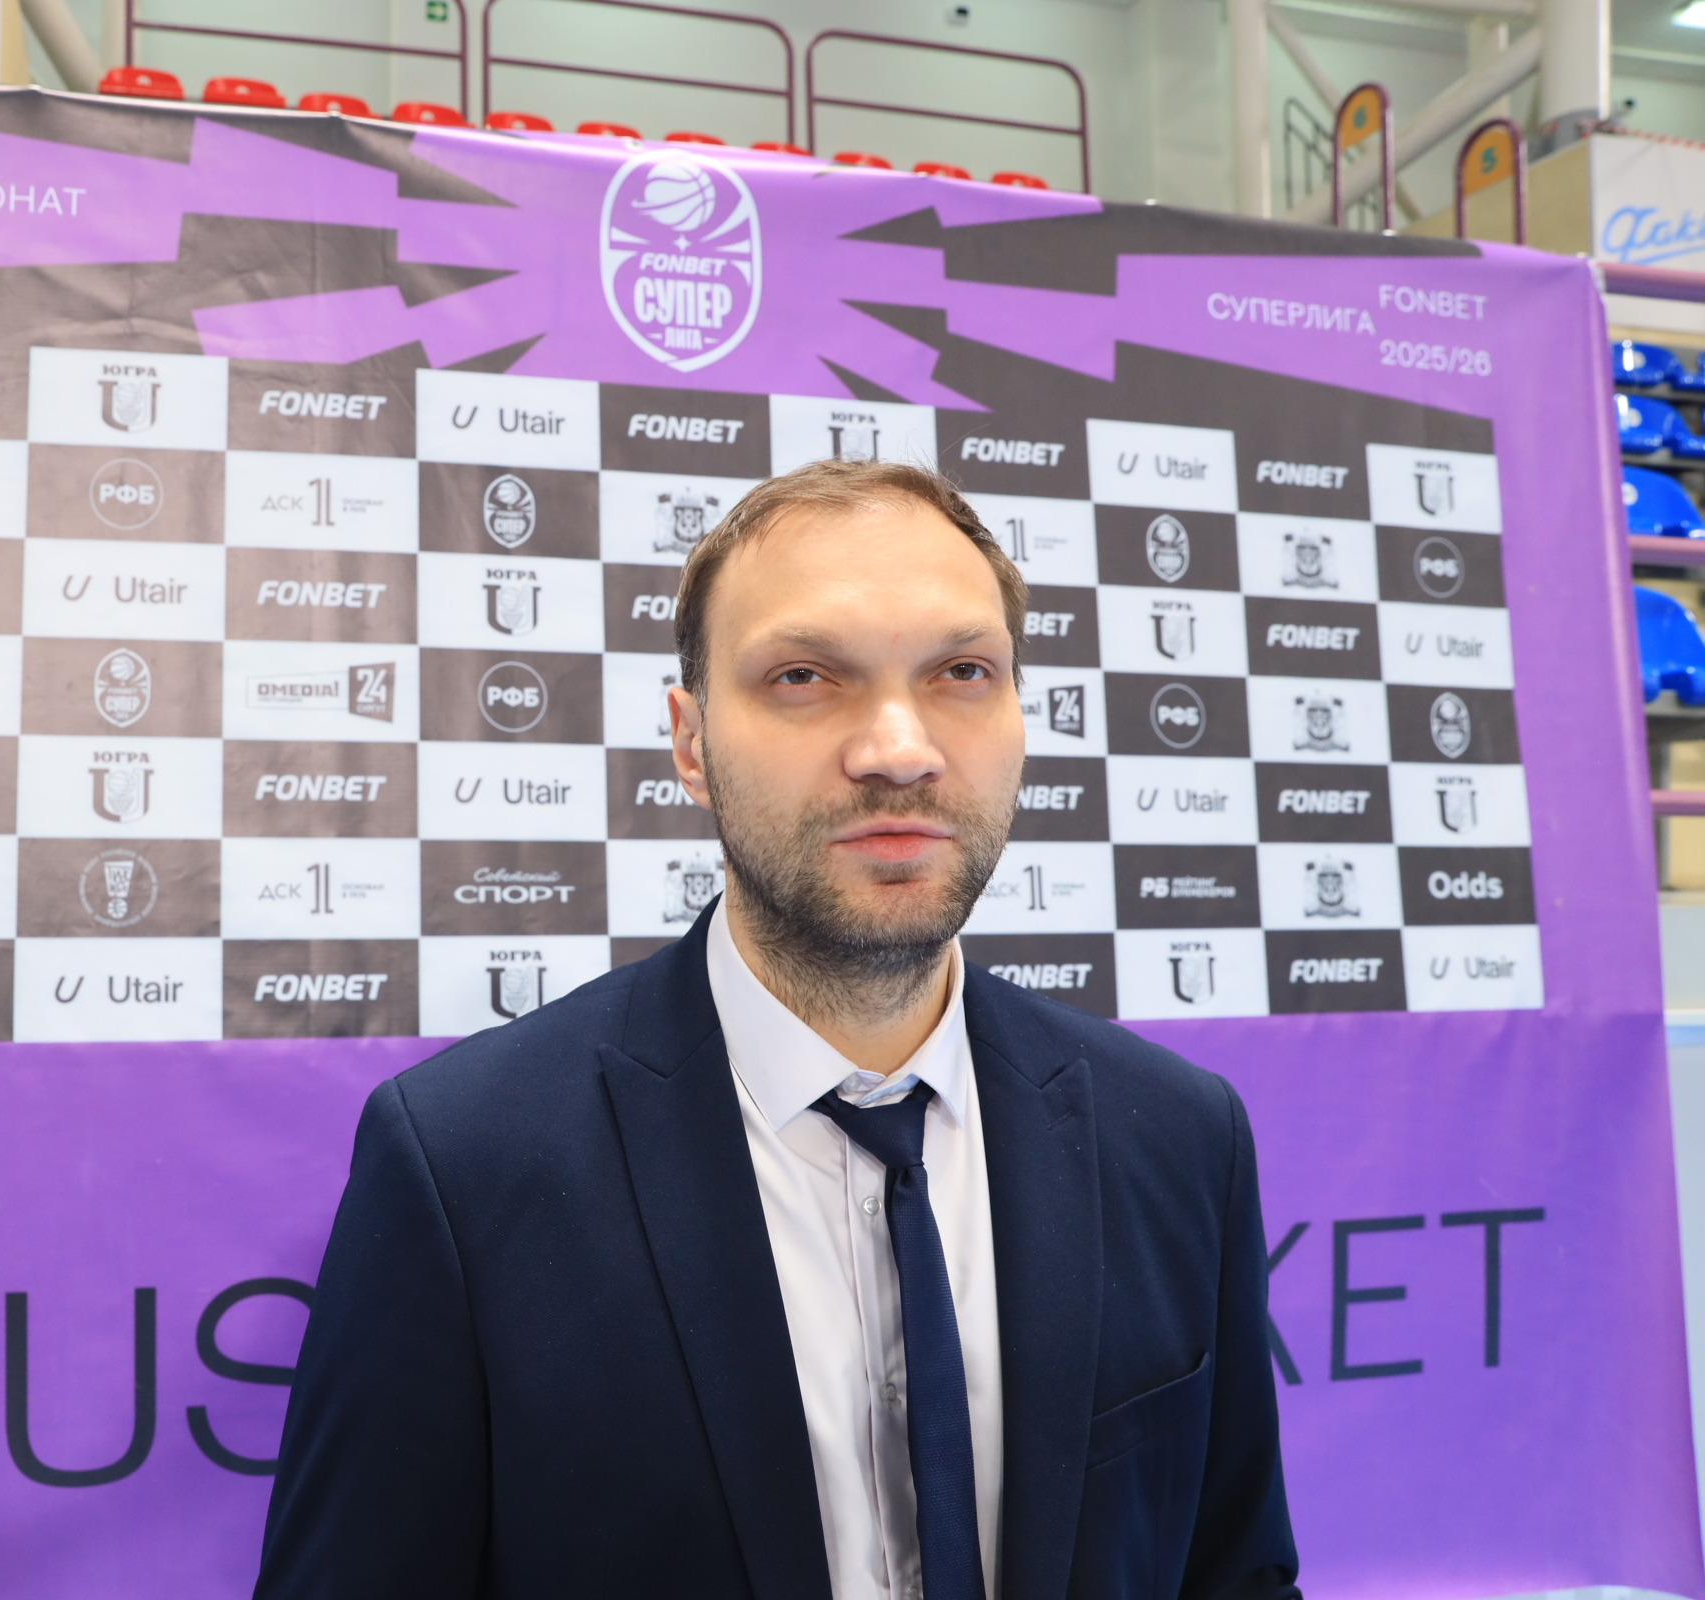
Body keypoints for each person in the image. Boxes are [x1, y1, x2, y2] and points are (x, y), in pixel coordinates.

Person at [255, 458, 1300, 1600]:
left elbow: (1234, 1575)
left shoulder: (1180, 1138)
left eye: (962, 671)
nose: (899, 748)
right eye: (804, 676)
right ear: (691, 743)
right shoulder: (463, 1166)